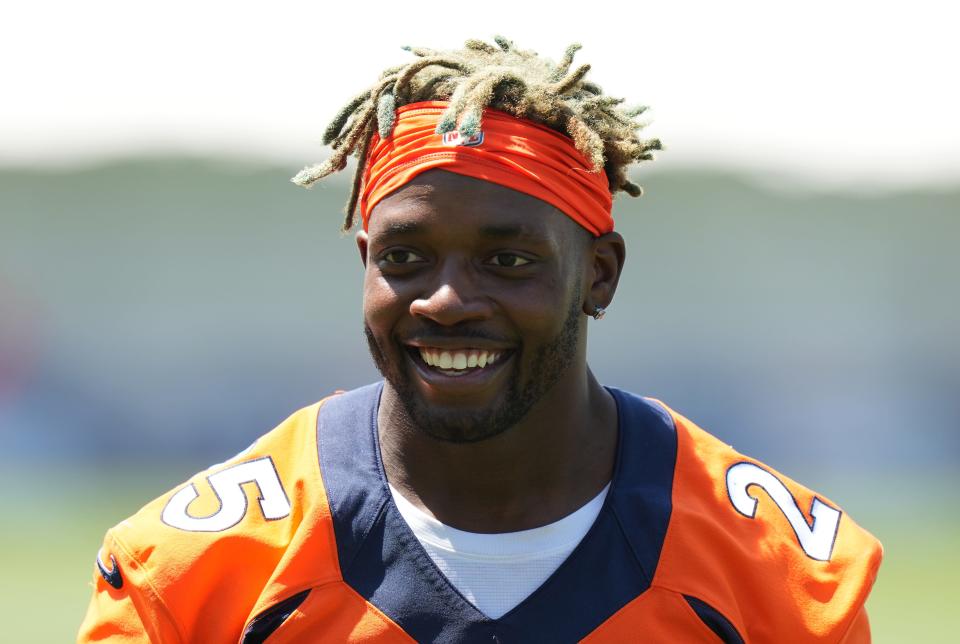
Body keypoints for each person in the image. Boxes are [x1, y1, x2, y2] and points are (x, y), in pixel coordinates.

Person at [79, 37, 882, 643]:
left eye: (508, 259)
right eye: (405, 258)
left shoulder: (782, 575)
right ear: (365, 263)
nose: (447, 300)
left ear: (599, 275)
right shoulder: (195, 571)